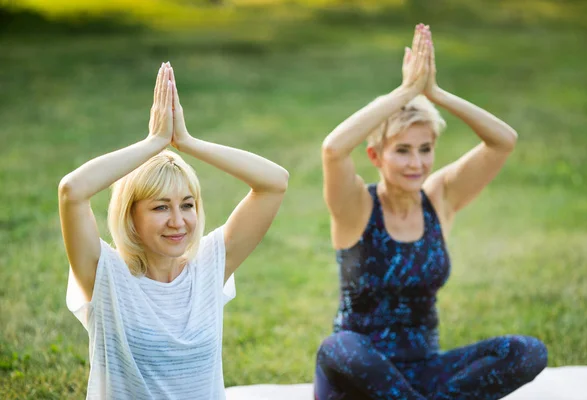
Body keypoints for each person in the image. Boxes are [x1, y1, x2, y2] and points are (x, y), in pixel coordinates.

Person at [314, 24, 547, 400]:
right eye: (402, 150)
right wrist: (404, 92)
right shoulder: (356, 205)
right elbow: (333, 149)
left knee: (527, 351)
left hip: (425, 373)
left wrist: (435, 94)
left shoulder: (440, 197)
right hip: (356, 379)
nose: (416, 163)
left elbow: (504, 140)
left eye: (425, 149)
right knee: (340, 346)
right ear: (375, 155)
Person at [59, 62, 289, 399]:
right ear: (130, 215)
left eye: (187, 204)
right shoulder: (104, 275)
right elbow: (72, 191)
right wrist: (154, 142)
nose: (178, 221)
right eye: (160, 206)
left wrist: (186, 142)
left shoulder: (211, 264)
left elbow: (274, 182)